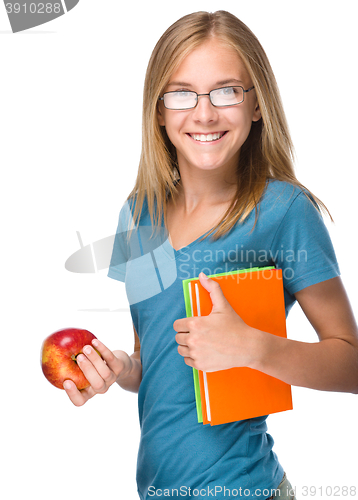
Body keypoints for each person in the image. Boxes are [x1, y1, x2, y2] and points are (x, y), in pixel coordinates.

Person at [63, 10, 358, 500]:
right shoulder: (139, 214)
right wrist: (118, 369)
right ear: (158, 110)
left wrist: (252, 347)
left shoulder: (283, 211)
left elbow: (352, 366)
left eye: (226, 91)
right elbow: (156, 364)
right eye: (181, 93)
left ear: (256, 104)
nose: (204, 113)